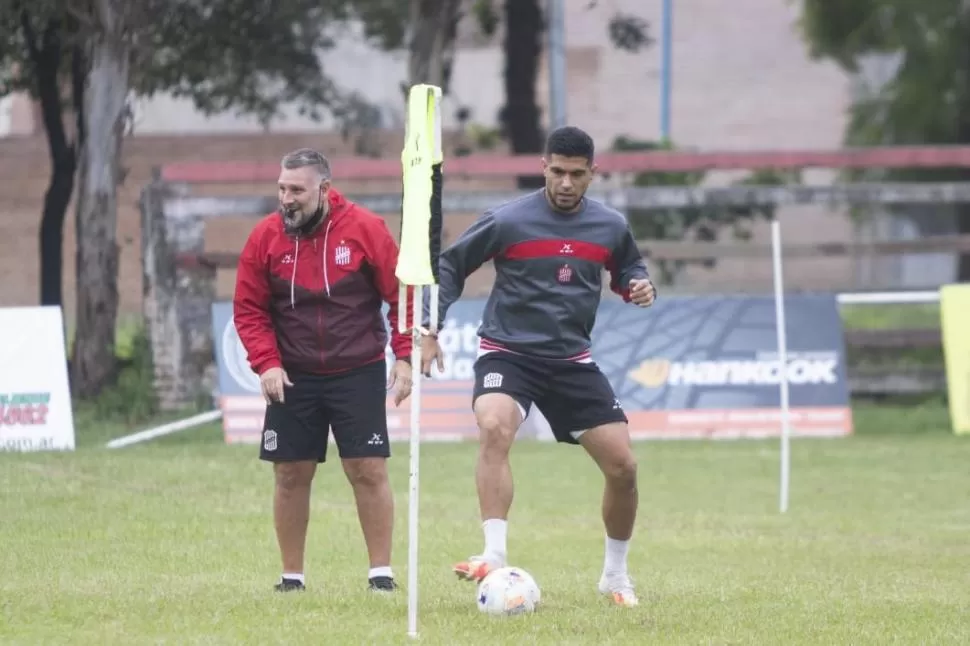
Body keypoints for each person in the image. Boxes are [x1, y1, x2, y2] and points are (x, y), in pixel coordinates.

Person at [419, 126, 656, 607]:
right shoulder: (507, 219)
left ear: (592, 173)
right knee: (494, 425)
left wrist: (638, 284)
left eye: (577, 174)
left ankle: (615, 576)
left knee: (624, 467)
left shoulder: (610, 225)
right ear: (543, 167)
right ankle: (493, 553)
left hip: (571, 361)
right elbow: (450, 265)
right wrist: (430, 327)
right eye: (557, 172)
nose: (566, 183)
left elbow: (628, 268)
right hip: (508, 353)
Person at [233, 147, 414, 594]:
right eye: (282, 189)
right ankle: (291, 578)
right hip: (292, 374)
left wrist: (405, 355)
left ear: (324, 189)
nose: (286, 199)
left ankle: (381, 575)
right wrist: (267, 363)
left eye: (297, 190)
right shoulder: (265, 236)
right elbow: (249, 309)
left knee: (367, 469)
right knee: (290, 473)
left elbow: (401, 295)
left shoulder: (365, 228)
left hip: (358, 369)